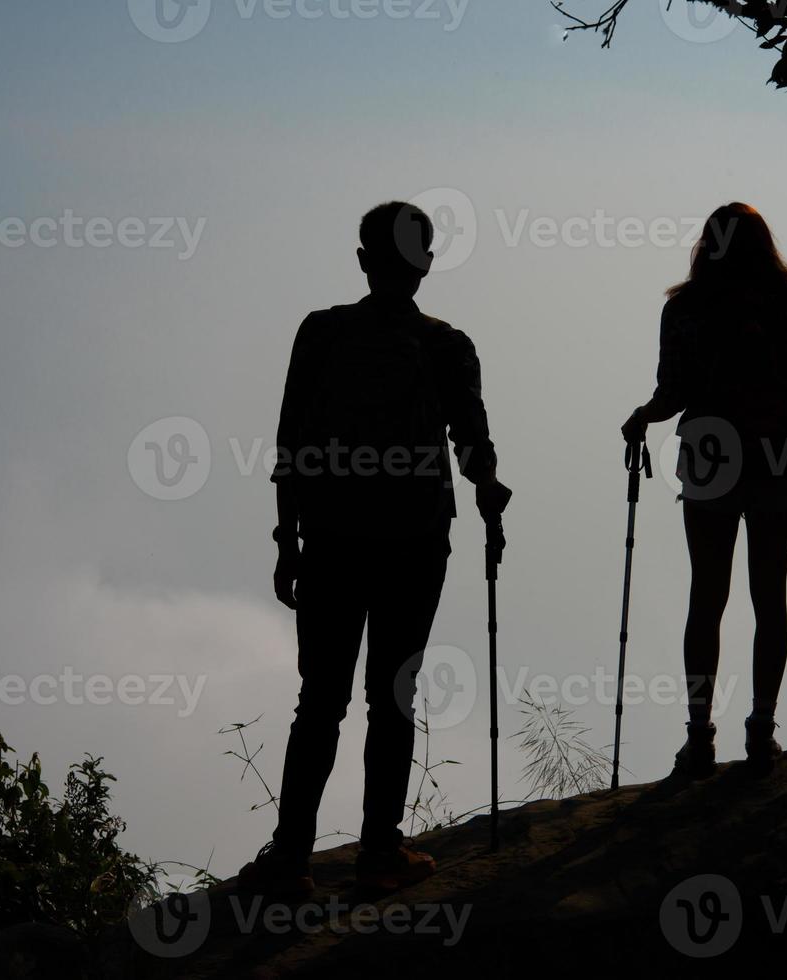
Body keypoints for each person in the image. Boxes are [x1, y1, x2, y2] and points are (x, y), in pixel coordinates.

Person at [242, 201, 512, 896]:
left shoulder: (322, 332)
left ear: (363, 260)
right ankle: (380, 852)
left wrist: (286, 538)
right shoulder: (447, 344)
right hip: (415, 539)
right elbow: (473, 443)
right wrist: (488, 492)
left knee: (319, 701)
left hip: (331, 535)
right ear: (424, 262)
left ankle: (290, 860)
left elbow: (292, 441)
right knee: (392, 696)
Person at [621, 203, 787, 780]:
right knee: (768, 596)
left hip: (708, 450)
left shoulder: (685, 309)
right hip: (777, 449)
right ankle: (761, 730)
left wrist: (642, 418)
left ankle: (699, 736)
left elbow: (672, 390)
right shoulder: (785, 303)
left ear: (707, 245)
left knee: (707, 595)